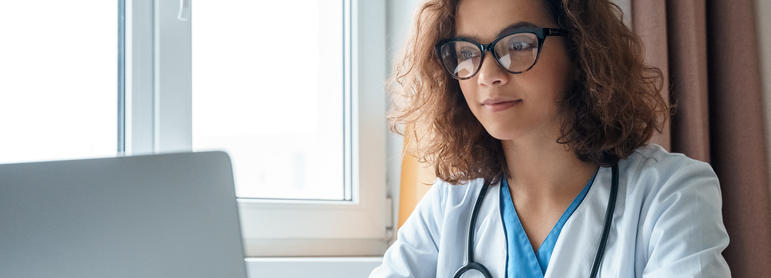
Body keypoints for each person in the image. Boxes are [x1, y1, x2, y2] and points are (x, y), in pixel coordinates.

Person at [370, 0, 731, 277]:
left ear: (580, 49)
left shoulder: (671, 193)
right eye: (467, 52)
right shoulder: (450, 204)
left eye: (518, 45)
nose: (487, 74)